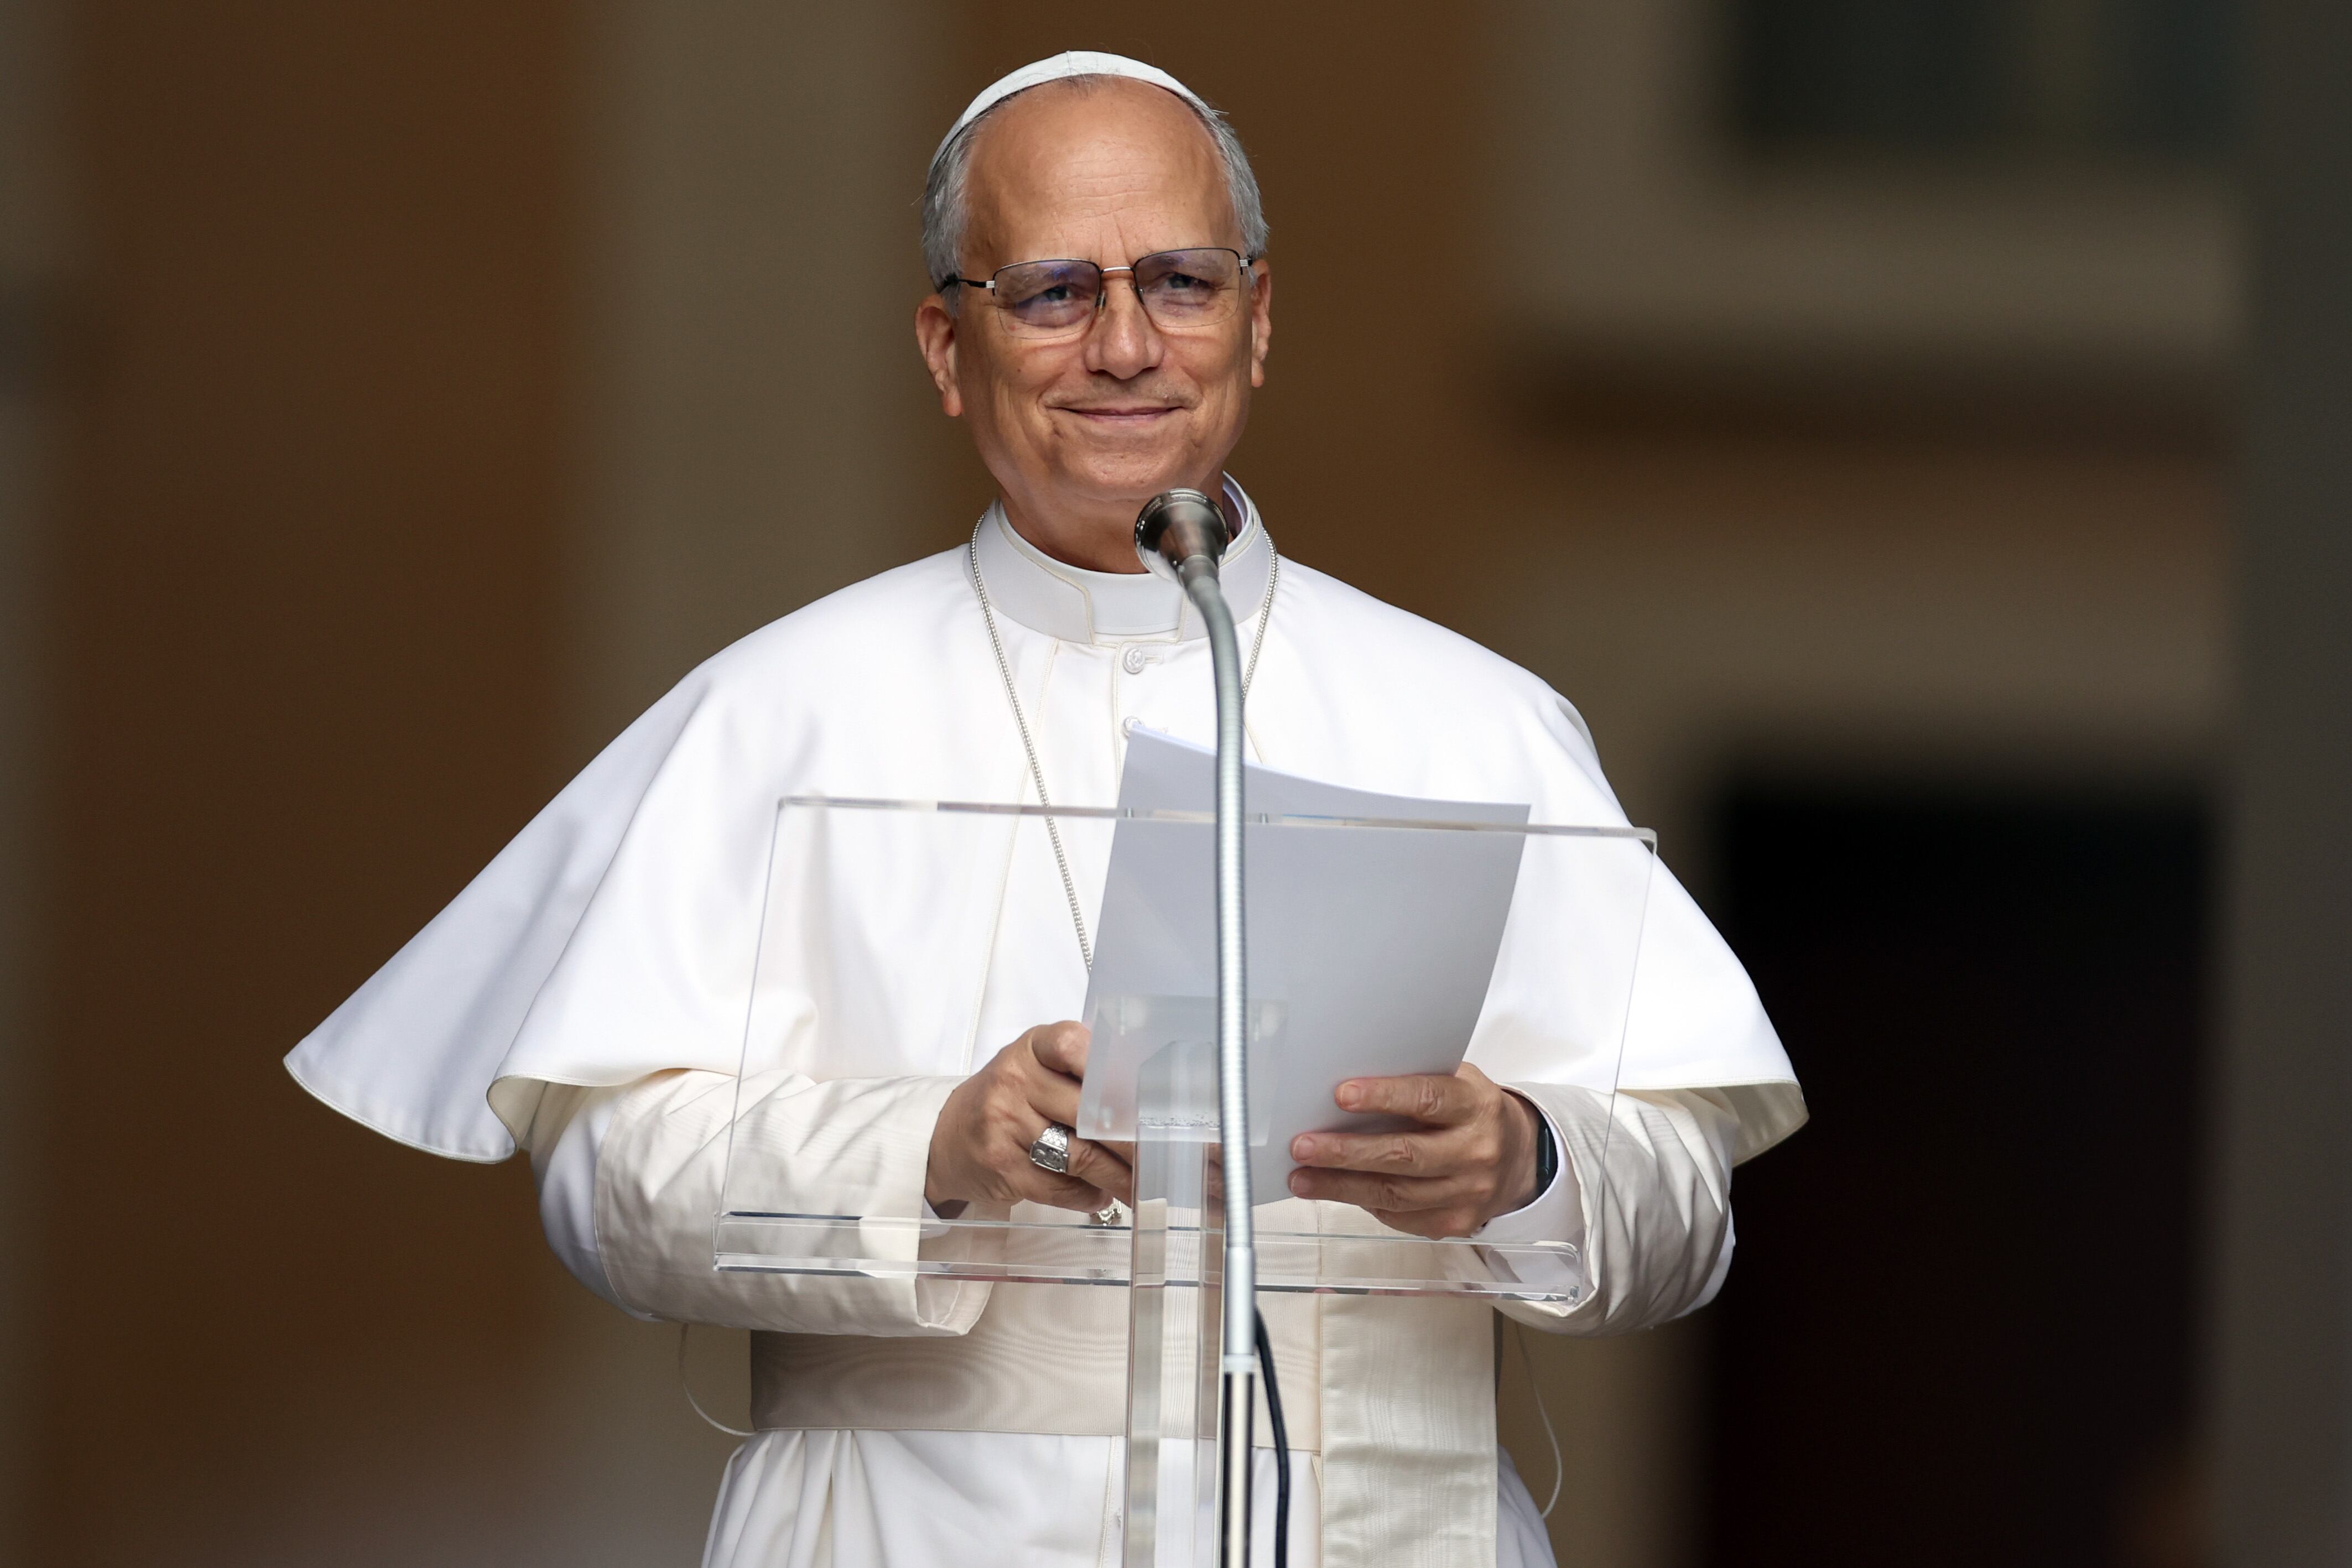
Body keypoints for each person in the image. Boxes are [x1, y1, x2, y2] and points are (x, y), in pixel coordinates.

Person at [287, 51, 1804, 1568]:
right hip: (904, 1529)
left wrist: (1525, 1162)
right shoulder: (783, 708)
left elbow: (1683, 1212)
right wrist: (935, 1147)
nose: (1126, 346)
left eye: (1182, 283)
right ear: (948, 347)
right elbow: (609, 1193)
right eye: (1053, 293)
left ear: (1258, 320)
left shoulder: (1476, 719)